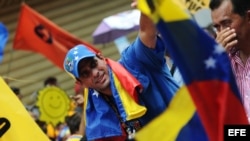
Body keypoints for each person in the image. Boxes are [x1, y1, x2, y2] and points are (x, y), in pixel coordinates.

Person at [63, 0, 179, 140]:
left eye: (93, 64)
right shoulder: (96, 109)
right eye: (85, 73)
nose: (95, 73)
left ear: (101, 57)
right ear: (81, 83)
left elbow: (146, 32)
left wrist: (147, 7)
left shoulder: (133, 62)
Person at [209, 0, 250, 122]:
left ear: (248, 17)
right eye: (217, 27)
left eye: (226, 23)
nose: (221, 33)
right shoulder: (222, 59)